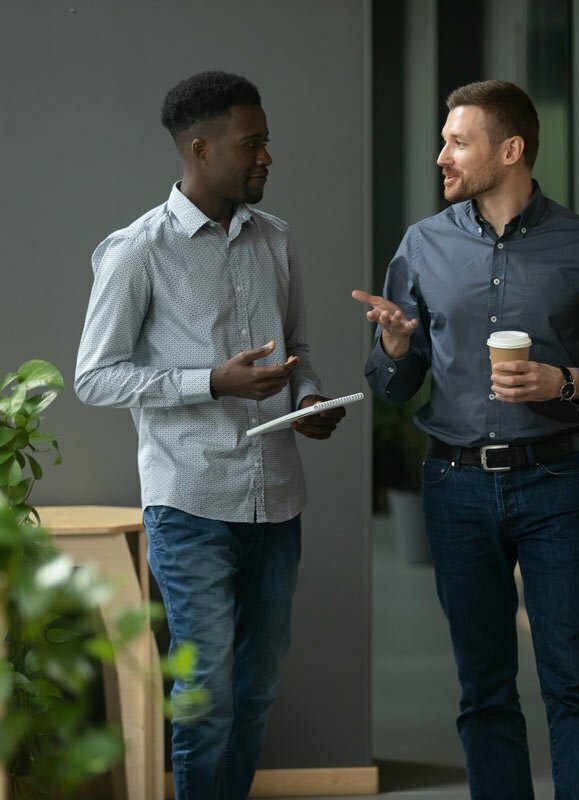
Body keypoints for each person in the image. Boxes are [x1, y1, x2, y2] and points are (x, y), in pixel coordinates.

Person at [354, 80, 579, 799]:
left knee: (574, 687)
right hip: (454, 487)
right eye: (443, 140)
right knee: (484, 690)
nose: (442, 156)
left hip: (556, 485)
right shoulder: (422, 246)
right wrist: (397, 350)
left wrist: (565, 383)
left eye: (458, 141)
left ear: (511, 149)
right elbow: (393, 388)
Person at [75, 70, 345, 800]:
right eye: (251, 144)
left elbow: (301, 352)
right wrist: (211, 382)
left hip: (277, 502)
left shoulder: (277, 240)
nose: (266, 158)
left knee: (254, 692)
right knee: (206, 695)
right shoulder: (138, 250)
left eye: (267, 143)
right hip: (190, 504)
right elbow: (93, 377)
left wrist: (312, 397)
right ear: (200, 148)